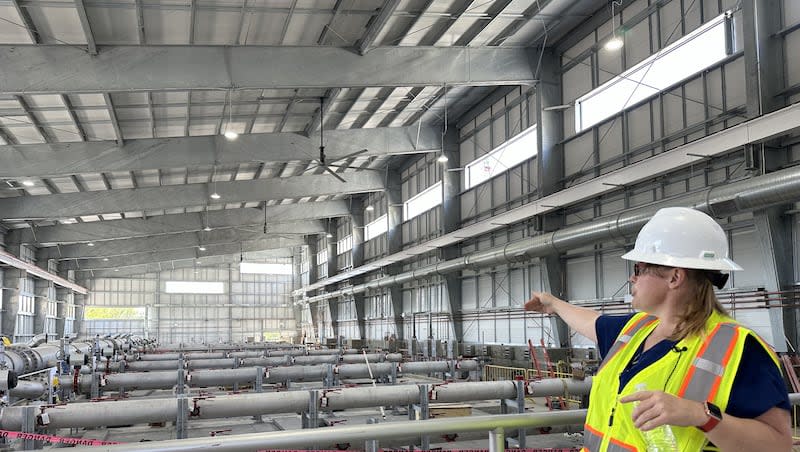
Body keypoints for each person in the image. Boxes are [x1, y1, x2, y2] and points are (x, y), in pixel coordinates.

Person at [524, 207, 791, 451]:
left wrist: (700, 415)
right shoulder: (635, 329)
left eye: (638, 268)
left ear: (674, 277)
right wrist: (553, 304)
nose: (632, 277)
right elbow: (590, 321)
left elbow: (777, 444)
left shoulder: (739, 349)